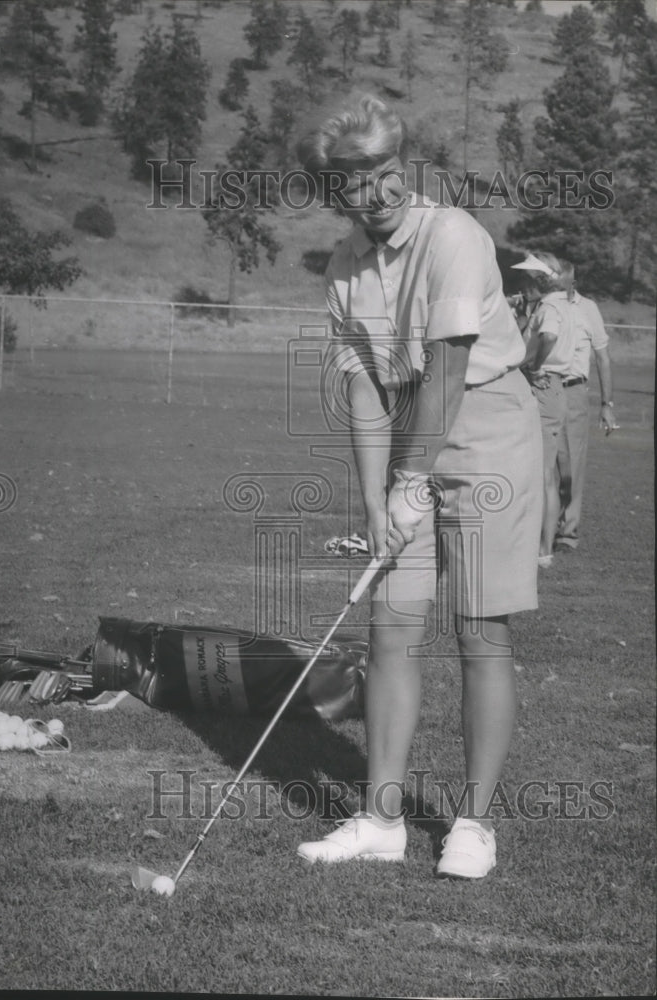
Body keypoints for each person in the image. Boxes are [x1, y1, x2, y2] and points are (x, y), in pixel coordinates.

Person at [294, 94, 542, 879]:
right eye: (358, 179)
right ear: (333, 191)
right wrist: (374, 500)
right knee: (390, 628)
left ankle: (473, 824)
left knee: (479, 633)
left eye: (387, 169)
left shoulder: (455, 236)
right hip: (409, 431)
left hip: (487, 432)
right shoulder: (343, 267)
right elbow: (368, 388)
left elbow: (448, 370)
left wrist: (409, 483)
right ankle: (381, 818)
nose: (380, 189)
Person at [510, 251, 575, 569]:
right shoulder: (557, 305)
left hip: (544, 386)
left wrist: (533, 363)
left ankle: (542, 548)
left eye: (526, 279)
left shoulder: (550, 307)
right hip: (548, 388)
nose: (522, 284)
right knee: (540, 470)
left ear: (539, 281)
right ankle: (538, 545)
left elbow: (548, 336)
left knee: (543, 472)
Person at [554, 260, 618, 551]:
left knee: (572, 464)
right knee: (541, 462)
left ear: (573, 283)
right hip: (541, 389)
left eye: (559, 281)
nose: (553, 286)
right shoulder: (544, 306)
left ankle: (568, 531)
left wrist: (607, 404)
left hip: (573, 391)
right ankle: (540, 526)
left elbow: (603, 358)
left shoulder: (588, 309)